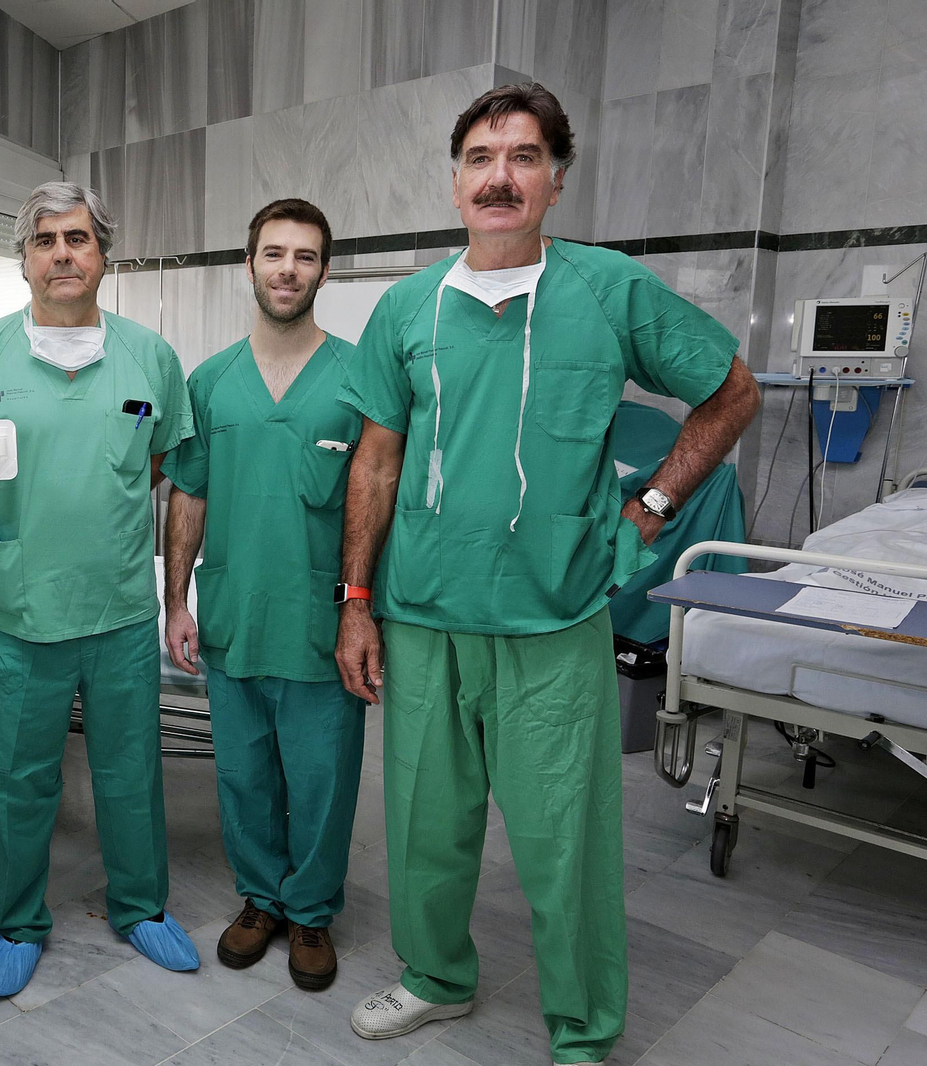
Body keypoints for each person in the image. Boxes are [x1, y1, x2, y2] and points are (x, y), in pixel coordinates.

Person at [336, 84, 760, 1066]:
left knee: (562, 839)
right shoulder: (406, 308)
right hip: (423, 615)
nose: (499, 175)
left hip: (552, 620)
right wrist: (355, 601)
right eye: (481, 156)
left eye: (523, 156)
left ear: (556, 181)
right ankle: (436, 976)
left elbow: (730, 391)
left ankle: (581, 1022)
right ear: (454, 179)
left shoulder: (608, 293)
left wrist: (649, 503)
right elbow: (375, 460)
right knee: (422, 827)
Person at [0, 181, 197, 998]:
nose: (63, 253)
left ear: (104, 254)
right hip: (23, 611)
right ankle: (17, 920)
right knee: (25, 777)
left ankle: (141, 906)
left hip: (117, 609)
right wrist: (16, 525)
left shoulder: (151, 357)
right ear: (24, 260)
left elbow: (155, 468)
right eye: (45, 240)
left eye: (78, 238)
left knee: (129, 770)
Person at [161, 198, 365, 991]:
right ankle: (261, 899)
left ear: (324, 269)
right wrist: (177, 601)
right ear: (248, 265)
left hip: (320, 616)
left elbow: (374, 497)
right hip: (235, 611)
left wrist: (363, 605)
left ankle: (311, 910)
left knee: (321, 775)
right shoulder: (209, 383)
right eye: (274, 254)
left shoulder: (357, 378)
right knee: (243, 774)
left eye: (306, 256)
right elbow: (188, 497)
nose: (288, 269)